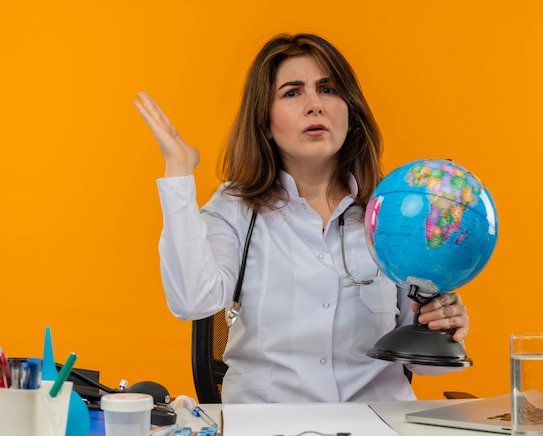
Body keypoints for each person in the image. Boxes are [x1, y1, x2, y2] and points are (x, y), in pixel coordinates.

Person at [134, 33, 469, 404]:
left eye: (327, 90)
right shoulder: (236, 208)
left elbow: (432, 365)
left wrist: (444, 325)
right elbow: (191, 301)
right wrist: (179, 171)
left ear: (350, 111)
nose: (315, 105)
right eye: (292, 92)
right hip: (270, 424)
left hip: (376, 421)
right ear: (264, 121)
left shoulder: (391, 214)